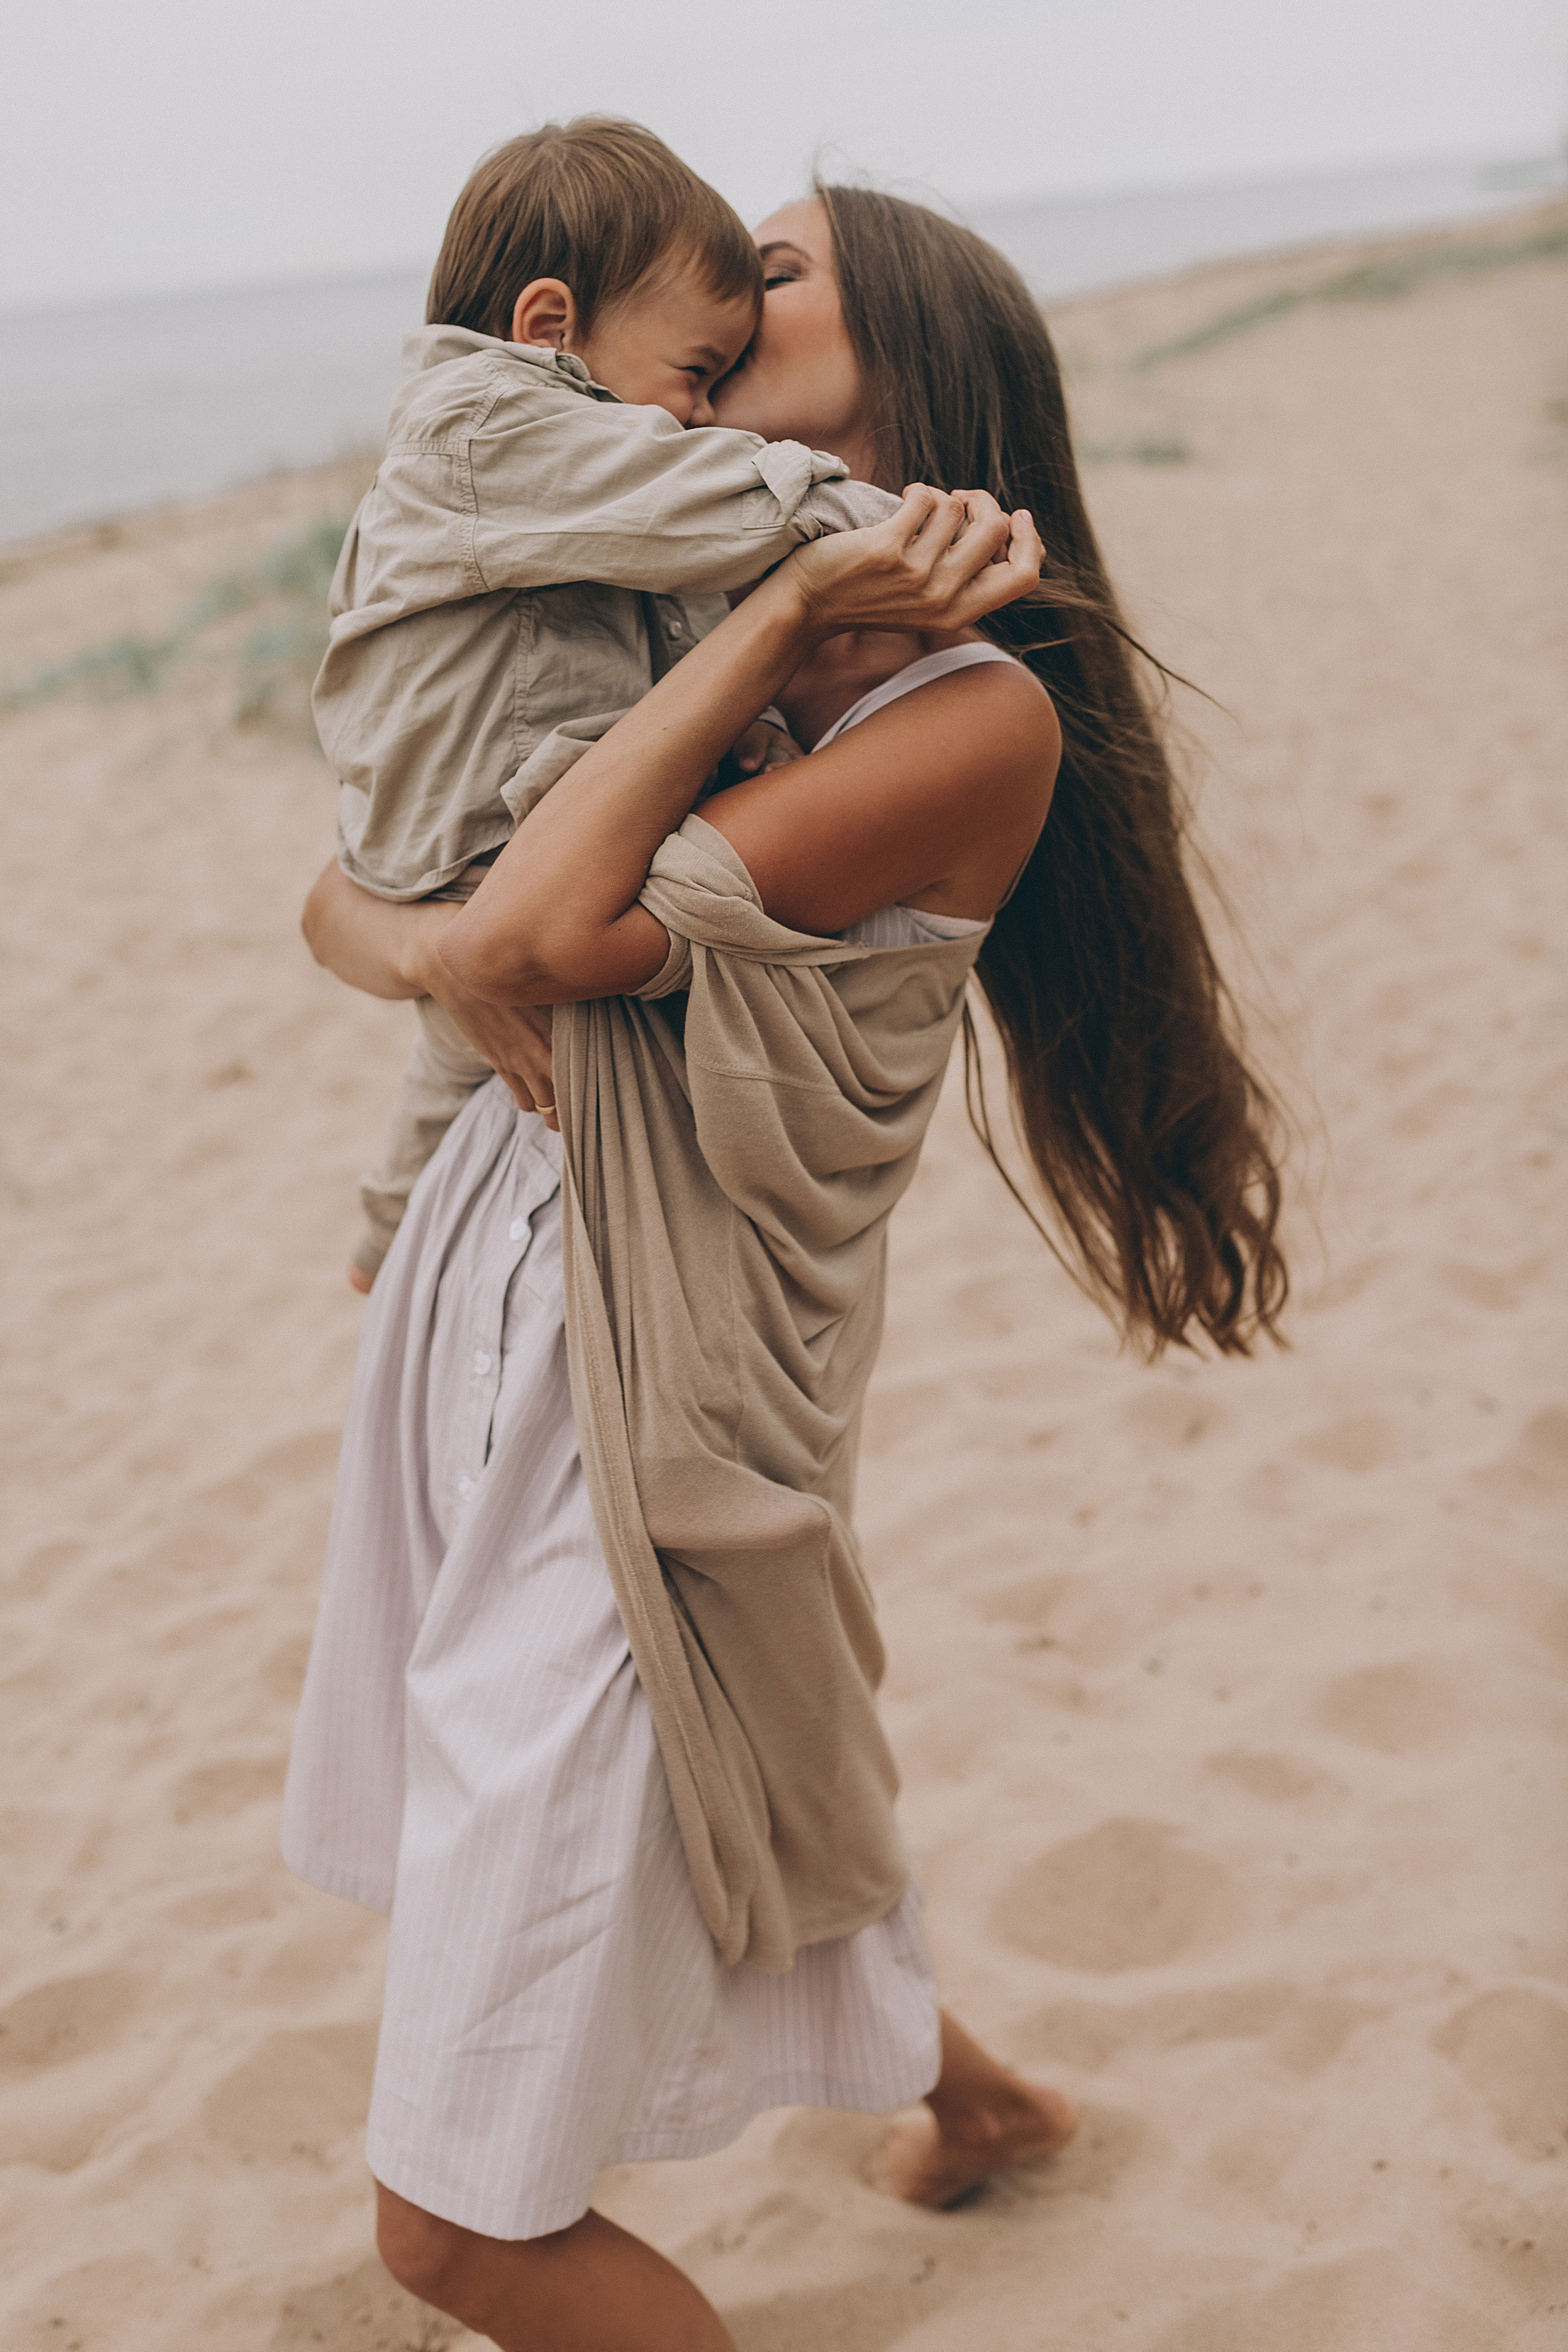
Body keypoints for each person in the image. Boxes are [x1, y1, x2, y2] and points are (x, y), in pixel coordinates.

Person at [287, 184, 1287, 2351]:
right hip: (510, 1316)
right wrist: (422, 939)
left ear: (910, 366)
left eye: (791, 258)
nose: (736, 273)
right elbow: (363, 895)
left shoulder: (965, 714)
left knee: (454, 2232)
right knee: (751, 1740)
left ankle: (959, 2086)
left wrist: (745, 643)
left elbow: (536, 936)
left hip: (655, 1391)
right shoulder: (672, 604)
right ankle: (984, 2097)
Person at [313, 116, 898, 1292]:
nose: (693, 413)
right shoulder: (487, 425)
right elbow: (705, 502)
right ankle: (387, 1256)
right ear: (550, 329)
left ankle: (389, 1251)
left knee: (455, 1081)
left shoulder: (542, 469)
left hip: (479, 843)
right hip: (479, 846)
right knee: (453, 1090)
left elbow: (662, 628)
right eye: (693, 374)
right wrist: (890, 522)